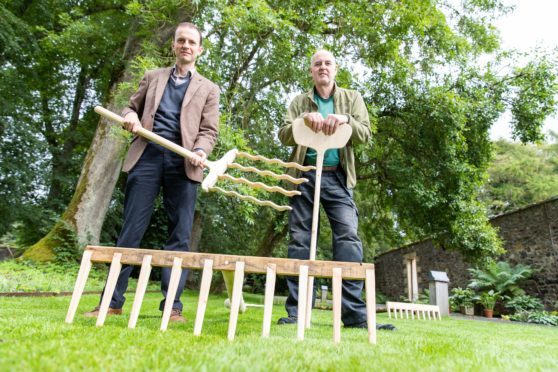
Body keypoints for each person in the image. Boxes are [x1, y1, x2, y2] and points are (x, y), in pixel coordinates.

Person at [85, 22, 219, 322]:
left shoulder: (209, 89)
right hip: (146, 156)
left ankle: (172, 307)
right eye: (180, 40)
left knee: (180, 236)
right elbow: (130, 108)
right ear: (174, 45)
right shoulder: (152, 77)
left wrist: (200, 151)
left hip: (183, 162)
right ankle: (111, 301)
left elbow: (209, 131)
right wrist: (131, 117)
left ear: (199, 49)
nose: (185, 45)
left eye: (191, 42)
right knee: (130, 229)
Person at [277, 49, 394, 330]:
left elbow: (364, 134)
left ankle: (354, 316)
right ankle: (297, 313)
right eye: (317, 64)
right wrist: (303, 120)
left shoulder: (351, 98)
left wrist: (345, 121)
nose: (322, 67)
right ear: (311, 71)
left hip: (337, 178)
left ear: (336, 69)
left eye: (327, 63)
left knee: (348, 239)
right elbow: (283, 135)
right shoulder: (299, 101)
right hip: (303, 176)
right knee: (300, 242)